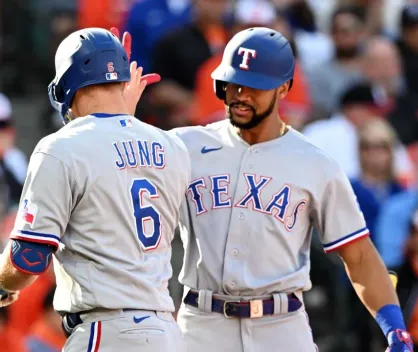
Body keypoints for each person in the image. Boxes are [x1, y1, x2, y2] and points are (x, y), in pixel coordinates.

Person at [170, 27, 414, 351]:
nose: (240, 93)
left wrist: (394, 328)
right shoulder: (183, 146)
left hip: (281, 328)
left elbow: (359, 255)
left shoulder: (315, 163)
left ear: (284, 88)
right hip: (201, 325)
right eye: (233, 82)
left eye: (255, 86)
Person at [0, 27, 190, 352]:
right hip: (166, 330)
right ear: (122, 81)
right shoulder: (171, 146)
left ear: (65, 86)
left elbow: (29, 258)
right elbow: (122, 158)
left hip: (104, 331)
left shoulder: (61, 147)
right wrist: (124, 113)